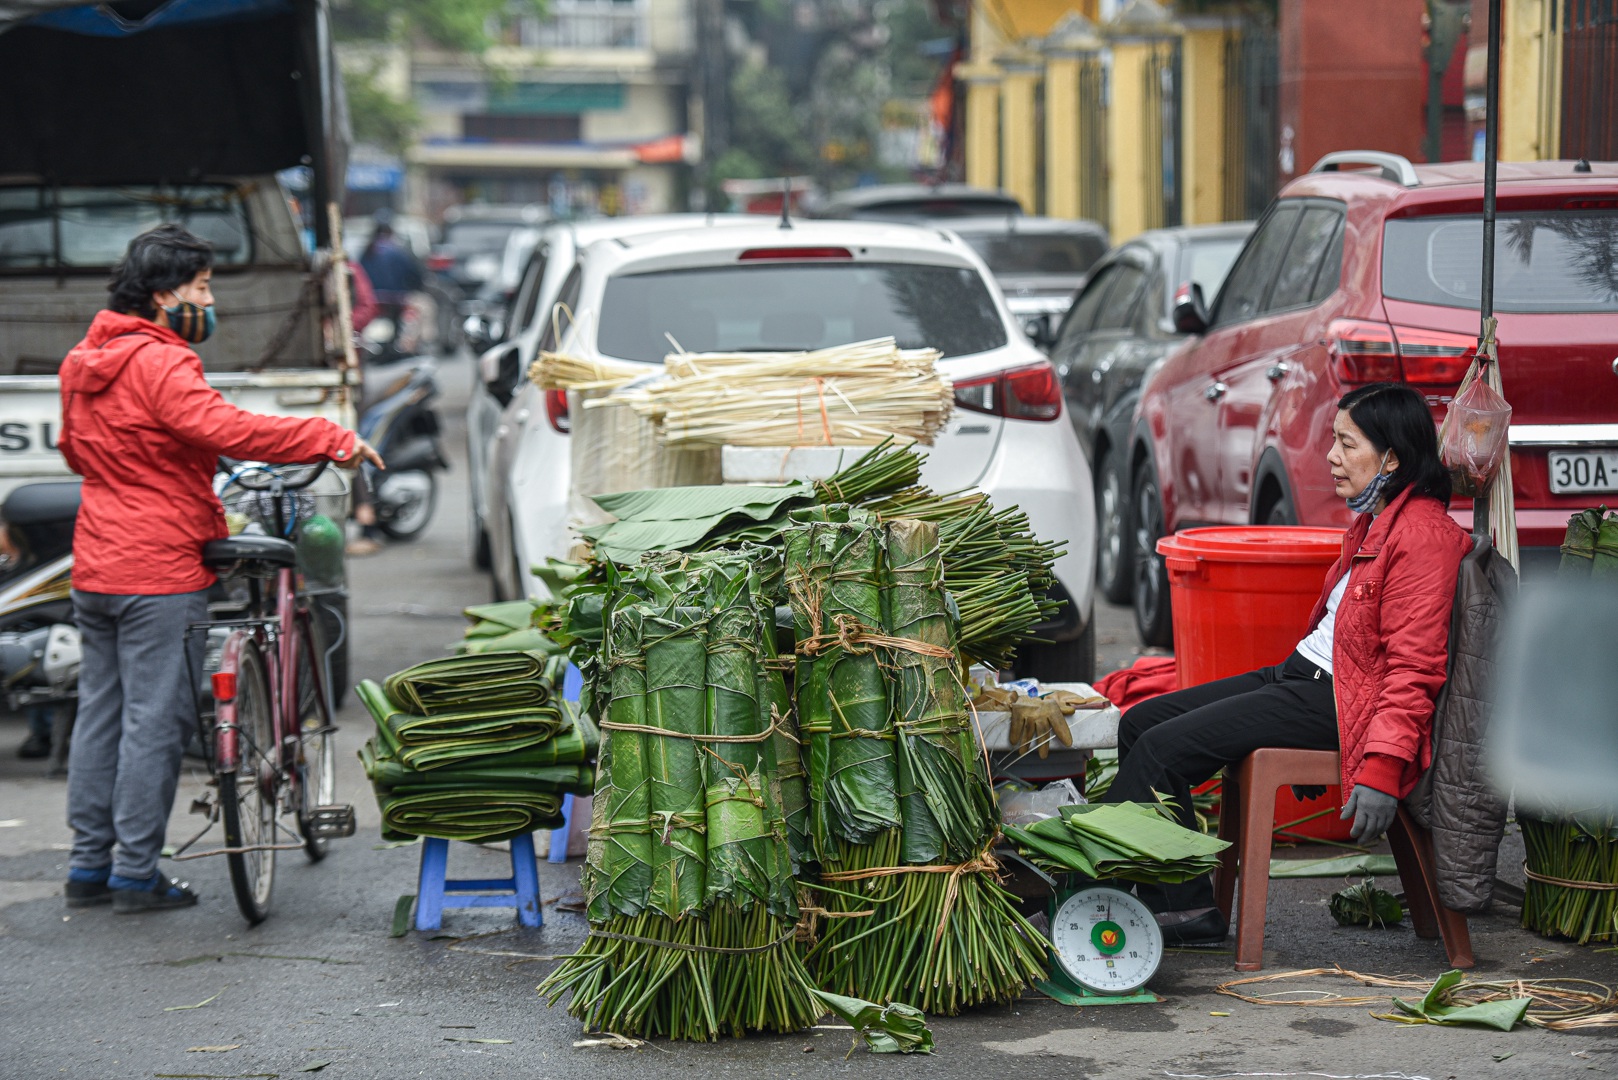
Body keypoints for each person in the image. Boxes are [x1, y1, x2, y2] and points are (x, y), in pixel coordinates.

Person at [58, 224, 383, 914]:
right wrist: (329, 436)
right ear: (163, 294)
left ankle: (88, 866)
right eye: (202, 287)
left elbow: (76, 450)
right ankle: (135, 873)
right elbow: (225, 428)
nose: (209, 301)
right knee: (156, 720)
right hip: (157, 568)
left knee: (100, 714)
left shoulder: (85, 359)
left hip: (96, 562)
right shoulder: (160, 361)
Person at [1105, 382, 1471, 945]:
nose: (1331, 456)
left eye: (1347, 443)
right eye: (1334, 440)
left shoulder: (1423, 536)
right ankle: (1176, 901)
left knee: (1160, 752)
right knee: (1140, 722)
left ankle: (1118, 894)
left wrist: (1381, 768)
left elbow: (1414, 669)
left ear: (1392, 457)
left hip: (1333, 700)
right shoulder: (1379, 517)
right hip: (1302, 677)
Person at [357, 211, 423, 327]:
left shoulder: (367, 251)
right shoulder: (397, 251)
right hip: (396, 301)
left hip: (374, 301)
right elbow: (414, 274)